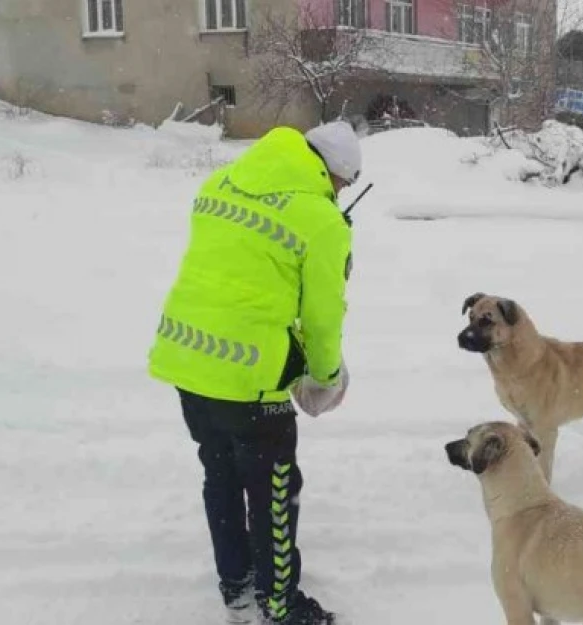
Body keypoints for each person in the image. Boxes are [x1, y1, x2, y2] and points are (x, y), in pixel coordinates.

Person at [148, 121, 362, 625]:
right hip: (249, 377)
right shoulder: (322, 221)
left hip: (187, 359)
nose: (340, 194)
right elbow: (322, 317)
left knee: (219, 473)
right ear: (333, 174)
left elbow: (241, 276)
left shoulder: (218, 184)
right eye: (344, 185)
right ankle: (280, 604)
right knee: (274, 491)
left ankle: (236, 581)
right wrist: (326, 374)